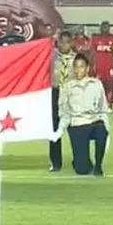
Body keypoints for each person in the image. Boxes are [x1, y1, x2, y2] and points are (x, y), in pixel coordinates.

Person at [52, 53, 109, 176]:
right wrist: (60, 131)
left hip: (94, 121)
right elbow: (64, 113)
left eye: (81, 66)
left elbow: (103, 109)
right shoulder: (67, 87)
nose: (78, 70)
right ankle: (81, 160)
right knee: (82, 169)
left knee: (101, 131)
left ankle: (98, 166)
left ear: (87, 68)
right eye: (76, 67)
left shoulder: (96, 84)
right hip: (77, 124)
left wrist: (107, 130)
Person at [49, 31, 76, 172]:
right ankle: (55, 161)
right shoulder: (50, 56)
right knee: (54, 128)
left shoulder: (76, 58)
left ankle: (79, 159)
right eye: (61, 42)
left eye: (67, 42)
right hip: (55, 92)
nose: (64, 45)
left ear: (71, 43)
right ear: (57, 42)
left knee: (75, 127)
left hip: (72, 94)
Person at [89, 21, 113, 109]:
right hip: (98, 68)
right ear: (100, 28)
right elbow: (92, 53)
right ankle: (97, 104)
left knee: (110, 86)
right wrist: (91, 67)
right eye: (103, 27)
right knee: (97, 86)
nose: (105, 29)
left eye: (107, 27)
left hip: (110, 67)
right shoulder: (95, 39)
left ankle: (109, 104)